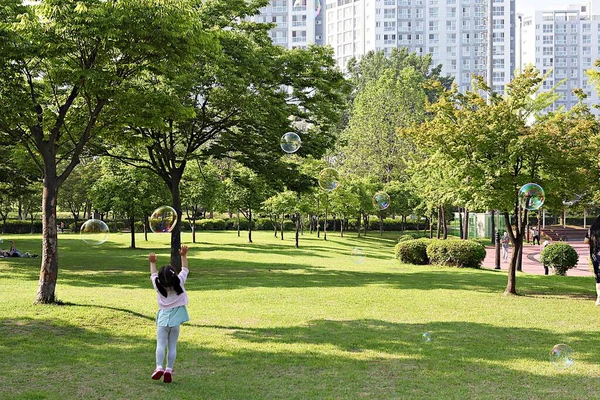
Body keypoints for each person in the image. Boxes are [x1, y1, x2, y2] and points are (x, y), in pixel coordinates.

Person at [149, 246, 190, 383]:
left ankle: (159, 367)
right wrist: (183, 255)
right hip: (175, 320)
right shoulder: (180, 282)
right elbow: (185, 269)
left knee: (161, 344)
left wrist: (152, 262)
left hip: (163, 319)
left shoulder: (158, 285)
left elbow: (153, 275)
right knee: (172, 345)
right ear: (174, 277)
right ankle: (168, 369)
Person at [585, 218, 600, 305]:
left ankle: (599, 298)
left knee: (598, 277)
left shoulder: (592, 229)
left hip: (595, 255)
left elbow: (585, 241)